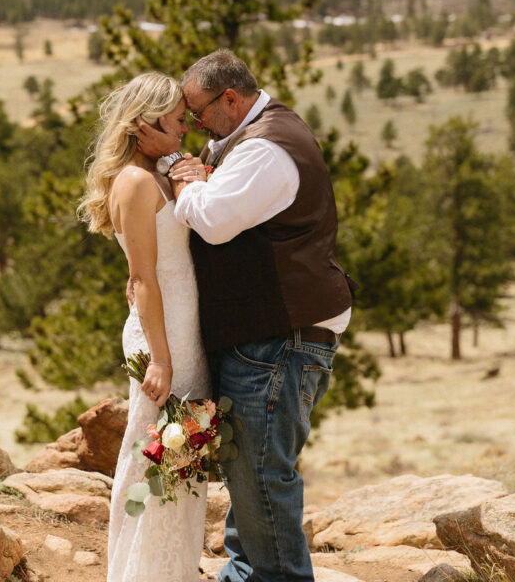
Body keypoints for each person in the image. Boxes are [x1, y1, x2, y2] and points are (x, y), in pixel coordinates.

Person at [137, 50, 354, 582]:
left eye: (197, 111)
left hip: (280, 336)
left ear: (230, 99)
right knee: (249, 471)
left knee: (260, 475)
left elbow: (211, 221)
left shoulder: (267, 150)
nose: (191, 124)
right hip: (267, 332)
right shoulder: (243, 139)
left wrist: (187, 177)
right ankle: (245, 574)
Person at [80, 71, 210, 582]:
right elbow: (143, 278)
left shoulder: (157, 173)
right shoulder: (135, 182)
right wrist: (160, 358)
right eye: (177, 122)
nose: (184, 131)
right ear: (144, 123)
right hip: (166, 337)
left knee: (179, 465)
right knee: (154, 459)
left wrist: (185, 170)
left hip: (182, 331)